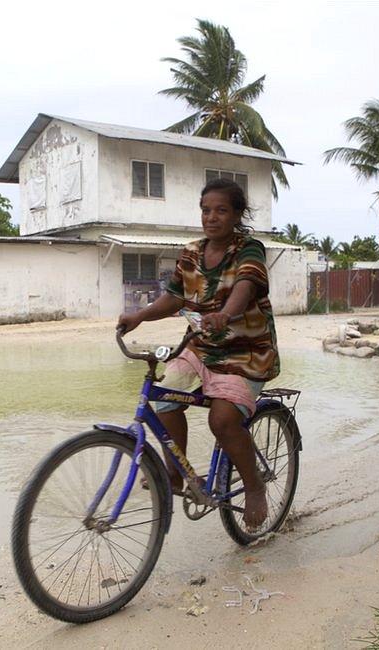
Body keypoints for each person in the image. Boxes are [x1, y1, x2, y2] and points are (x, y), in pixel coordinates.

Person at [117, 178, 280, 530]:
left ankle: (254, 487)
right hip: (201, 345)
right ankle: (175, 474)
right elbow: (174, 297)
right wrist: (139, 317)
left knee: (221, 420)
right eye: (206, 210)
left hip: (246, 352)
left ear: (237, 214)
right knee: (162, 400)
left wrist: (226, 313)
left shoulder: (249, 249)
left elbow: (245, 286)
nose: (212, 217)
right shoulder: (190, 252)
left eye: (221, 210)